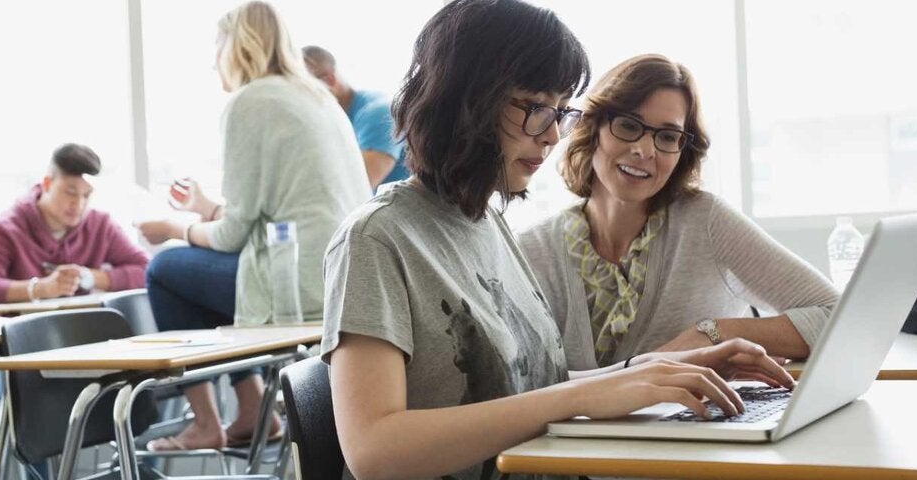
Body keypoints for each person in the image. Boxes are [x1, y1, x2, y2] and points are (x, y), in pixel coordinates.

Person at [322, 2, 795, 479]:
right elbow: (373, 451)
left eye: (560, 112)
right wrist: (581, 395)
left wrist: (657, 369)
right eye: (535, 108)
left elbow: (528, 388)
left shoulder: (485, 223)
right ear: (466, 98)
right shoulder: (377, 238)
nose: (552, 135)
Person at [135, 0, 371, 452]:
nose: (213, 61)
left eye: (217, 47)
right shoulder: (317, 97)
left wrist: (171, 227)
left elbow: (232, 237)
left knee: (165, 270)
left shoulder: (250, 101)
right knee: (206, 275)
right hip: (341, 278)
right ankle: (250, 408)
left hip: (298, 283)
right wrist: (207, 209)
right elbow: (278, 210)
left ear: (236, 47)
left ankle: (208, 421)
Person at [517, 54, 839, 370]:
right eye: (628, 126)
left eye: (668, 136)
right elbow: (520, 383)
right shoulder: (532, 251)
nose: (645, 150)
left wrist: (713, 333)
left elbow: (836, 316)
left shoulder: (707, 221)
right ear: (593, 128)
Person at [0, 143, 150, 304]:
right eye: (70, 192)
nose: (78, 204)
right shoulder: (1, 228)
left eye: (87, 195)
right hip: (20, 332)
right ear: (47, 183)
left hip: (86, 328)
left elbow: (147, 269)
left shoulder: (100, 225)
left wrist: (90, 277)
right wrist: (39, 289)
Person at [302, 45, 409, 190]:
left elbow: (356, 188)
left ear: (329, 81)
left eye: (301, 90)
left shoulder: (378, 113)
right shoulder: (338, 120)